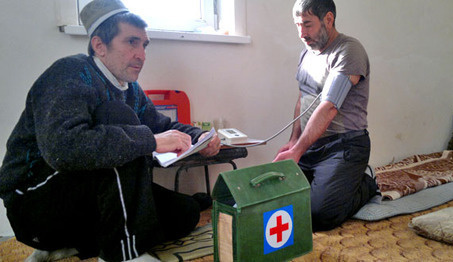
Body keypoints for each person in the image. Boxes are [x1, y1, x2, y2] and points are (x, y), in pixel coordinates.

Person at [0, 0, 221, 261]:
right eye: (131, 42)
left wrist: (199, 136)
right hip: (34, 205)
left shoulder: (130, 88)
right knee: (115, 115)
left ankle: (75, 245)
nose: (142, 54)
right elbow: (63, 149)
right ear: (99, 45)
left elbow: (162, 127)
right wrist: (149, 141)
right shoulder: (68, 74)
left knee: (185, 212)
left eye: (144, 44)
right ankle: (122, 254)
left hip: (85, 204)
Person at [274, 0, 378, 232]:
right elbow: (303, 100)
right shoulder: (306, 54)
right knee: (276, 201)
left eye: (308, 25)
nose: (302, 33)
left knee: (318, 215)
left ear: (328, 20)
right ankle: (333, 183)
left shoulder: (349, 50)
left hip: (344, 146)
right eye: (298, 25)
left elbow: (329, 106)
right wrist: (293, 142)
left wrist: (298, 151)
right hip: (311, 146)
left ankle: (366, 183)